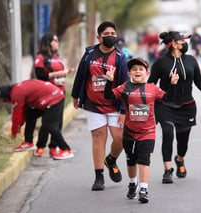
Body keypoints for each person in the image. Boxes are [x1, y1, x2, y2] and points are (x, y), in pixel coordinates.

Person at [104, 57, 179, 203]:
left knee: (144, 160)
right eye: (134, 69)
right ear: (129, 73)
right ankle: (133, 183)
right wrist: (109, 81)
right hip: (129, 133)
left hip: (148, 132)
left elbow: (169, 98)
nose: (137, 71)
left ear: (147, 73)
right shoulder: (124, 87)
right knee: (131, 161)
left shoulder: (152, 88)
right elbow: (108, 96)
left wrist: (173, 84)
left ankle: (143, 189)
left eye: (141, 69)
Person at [148, 31, 201, 184]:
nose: (185, 43)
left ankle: (179, 159)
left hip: (186, 106)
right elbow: (151, 84)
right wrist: (146, 99)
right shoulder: (160, 62)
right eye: (182, 41)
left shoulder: (190, 60)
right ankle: (167, 169)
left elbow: (198, 79)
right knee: (168, 134)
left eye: (185, 41)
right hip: (165, 104)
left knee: (183, 141)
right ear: (172, 44)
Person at [71, 21, 130, 191]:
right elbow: (81, 75)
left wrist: (122, 110)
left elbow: (125, 85)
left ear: (116, 36)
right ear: (99, 37)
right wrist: (75, 95)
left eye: (113, 34)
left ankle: (111, 160)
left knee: (120, 139)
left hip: (114, 105)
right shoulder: (90, 53)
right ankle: (99, 177)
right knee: (98, 136)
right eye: (106, 34)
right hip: (93, 103)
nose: (110, 37)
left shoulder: (120, 58)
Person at [0, 79, 74, 160]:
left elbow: (16, 115)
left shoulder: (16, 94)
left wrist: (14, 132)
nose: (5, 102)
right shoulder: (16, 89)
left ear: (4, 96)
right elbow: (23, 111)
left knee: (49, 125)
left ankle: (66, 149)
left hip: (54, 98)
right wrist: (20, 125)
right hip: (46, 98)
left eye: (3, 100)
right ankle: (28, 142)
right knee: (30, 114)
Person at [26, 32, 74, 157]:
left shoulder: (56, 57)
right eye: (55, 40)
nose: (57, 43)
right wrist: (58, 74)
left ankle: (53, 148)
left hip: (60, 92)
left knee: (57, 123)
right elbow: (40, 75)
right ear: (48, 42)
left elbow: (59, 73)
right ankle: (40, 147)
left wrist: (65, 72)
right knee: (48, 122)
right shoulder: (40, 57)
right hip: (48, 94)